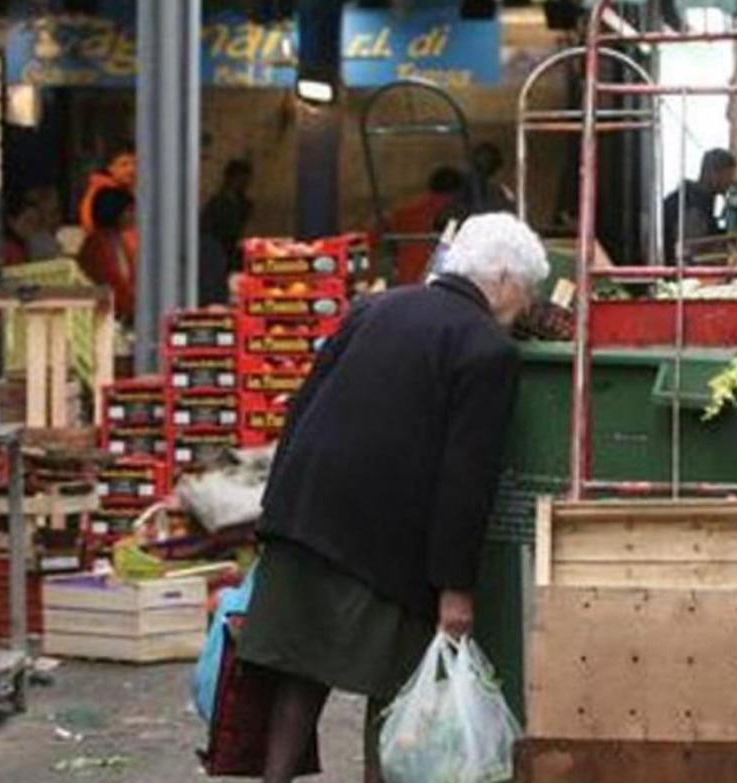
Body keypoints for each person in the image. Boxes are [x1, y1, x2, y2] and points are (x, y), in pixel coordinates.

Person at [241, 212, 550, 783]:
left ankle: (275, 779)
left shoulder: (375, 308)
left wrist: (273, 516)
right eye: (528, 290)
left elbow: (301, 410)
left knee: (301, 674)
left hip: (306, 517)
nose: (526, 306)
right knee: (396, 688)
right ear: (504, 278)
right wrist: (456, 588)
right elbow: (467, 477)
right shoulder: (487, 350)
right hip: (385, 544)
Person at [381, 166, 463, 285]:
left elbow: (375, 235)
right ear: (458, 191)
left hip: (406, 279)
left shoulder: (405, 213)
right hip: (435, 283)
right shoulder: (454, 213)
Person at [663, 148, 737, 262]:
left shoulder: (699, 201)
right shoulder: (691, 206)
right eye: (728, 176)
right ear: (713, 173)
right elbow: (692, 251)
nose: (731, 182)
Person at [77, 188, 137, 323]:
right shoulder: (97, 244)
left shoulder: (116, 239)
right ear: (114, 212)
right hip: (102, 316)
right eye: (129, 210)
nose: (134, 215)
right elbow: (112, 282)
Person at [200, 159, 255, 304]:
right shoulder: (218, 203)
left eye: (246, 179)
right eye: (241, 178)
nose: (244, 183)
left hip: (228, 252)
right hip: (218, 251)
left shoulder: (243, 203)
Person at [78, 142, 136, 237]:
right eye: (124, 164)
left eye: (135, 163)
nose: (131, 169)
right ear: (111, 168)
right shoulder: (108, 196)